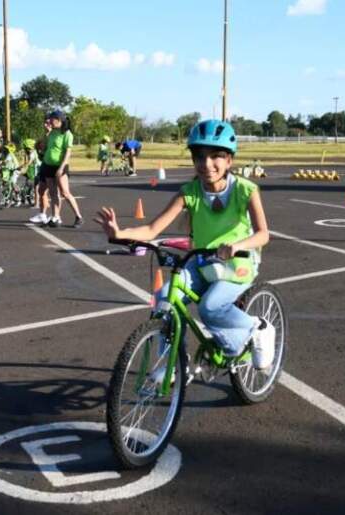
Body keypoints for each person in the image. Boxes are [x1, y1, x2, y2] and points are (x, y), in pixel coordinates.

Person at [95, 119, 275, 369]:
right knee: (164, 299)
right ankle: (171, 364)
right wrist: (120, 233)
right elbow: (152, 229)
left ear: (229, 160)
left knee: (210, 307)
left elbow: (263, 234)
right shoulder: (189, 192)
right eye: (199, 156)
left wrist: (236, 246)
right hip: (202, 262)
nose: (207, 164)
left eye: (216, 156)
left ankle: (258, 327)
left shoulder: (245, 190)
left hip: (237, 264)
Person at [38, 109, 83, 228]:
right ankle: (56, 217)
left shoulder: (67, 134)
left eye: (52, 119)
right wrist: (46, 133)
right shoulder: (52, 133)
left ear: (59, 120)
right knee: (53, 193)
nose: (49, 121)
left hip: (60, 166)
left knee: (65, 192)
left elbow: (68, 153)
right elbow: (44, 147)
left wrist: (61, 168)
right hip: (48, 165)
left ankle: (78, 217)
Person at [22, 138, 41, 207]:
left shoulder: (32, 153)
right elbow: (27, 162)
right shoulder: (32, 152)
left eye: (27, 148)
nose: (26, 150)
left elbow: (29, 162)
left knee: (36, 188)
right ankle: (43, 203)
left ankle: (37, 204)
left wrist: (24, 168)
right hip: (36, 170)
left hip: (38, 171)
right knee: (38, 187)